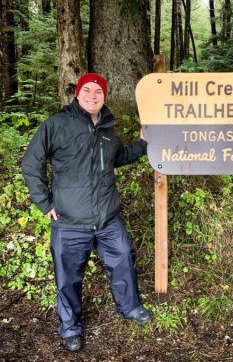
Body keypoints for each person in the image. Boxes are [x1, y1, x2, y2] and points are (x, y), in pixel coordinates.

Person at [22, 73, 151, 352]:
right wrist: (45, 204)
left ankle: (130, 308)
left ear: (105, 96)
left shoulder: (107, 128)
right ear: (78, 93)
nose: (93, 95)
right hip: (69, 219)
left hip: (107, 217)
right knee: (67, 276)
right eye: (88, 90)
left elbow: (118, 159)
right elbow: (31, 164)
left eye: (98, 91)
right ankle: (70, 327)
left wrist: (142, 144)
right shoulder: (56, 125)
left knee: (123, 260)